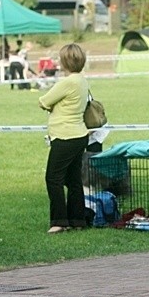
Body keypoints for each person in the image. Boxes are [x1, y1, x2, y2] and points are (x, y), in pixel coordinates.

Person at [38, 43, 90, 234]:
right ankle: (77, 219)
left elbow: (43, 101)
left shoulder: (67, 82)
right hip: (80, 134)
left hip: (65, 136)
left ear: (65, 61)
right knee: (74, 180)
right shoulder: (82, 81)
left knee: (53, 178)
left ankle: (59, 221)